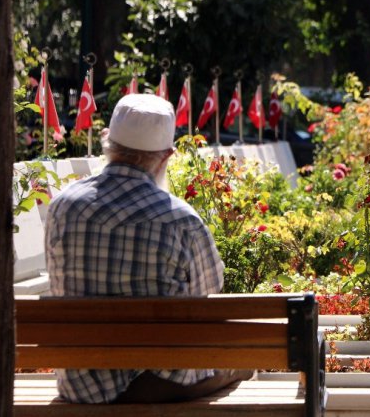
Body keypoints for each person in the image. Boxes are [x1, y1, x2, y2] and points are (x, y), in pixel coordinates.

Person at [45, 94, 251, 403]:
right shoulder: (180, 220)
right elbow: (208, 293)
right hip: (159, 387)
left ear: (107, 142)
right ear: (166, 156)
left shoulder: (63, 207)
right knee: (241, 365)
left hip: (81, 386)